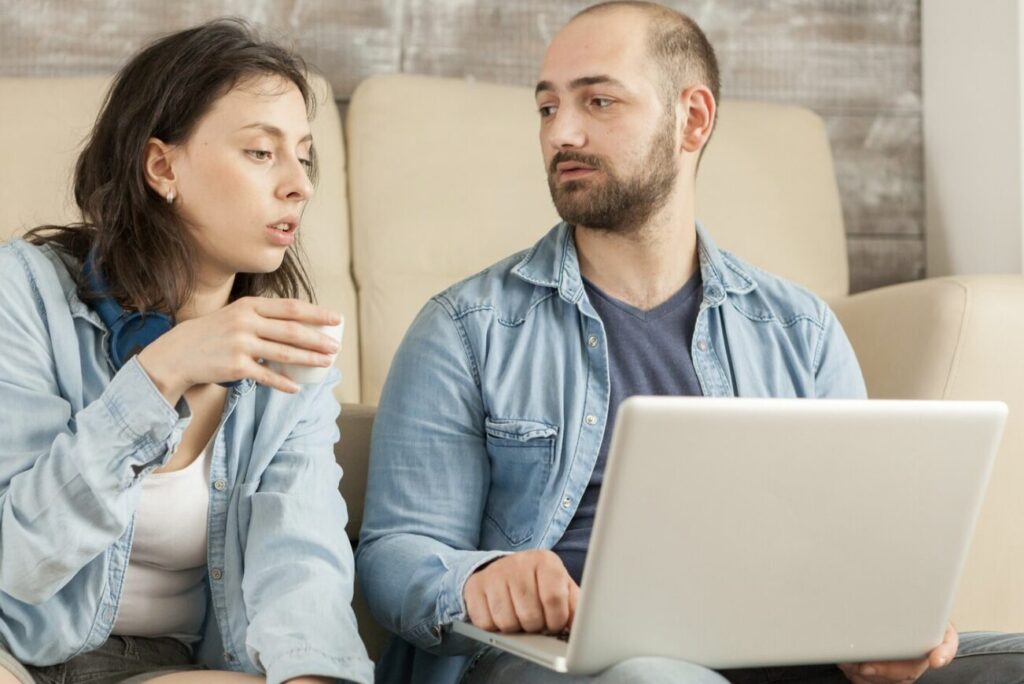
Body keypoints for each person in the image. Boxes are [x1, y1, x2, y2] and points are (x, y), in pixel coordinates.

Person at [355, 2, 1024, 683]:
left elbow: (854, 551)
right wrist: (480, 580)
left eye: (599, 101)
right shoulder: (466, 328)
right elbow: (394, 553)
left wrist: (882, 622)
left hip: (780, 654)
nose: (563, 132)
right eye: (548, 108)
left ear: (693, 119)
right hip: (563, 664)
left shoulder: (802, 330)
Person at [0, 19, 372, 684]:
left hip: (165, 669)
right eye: (262, 153)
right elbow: (18, 559)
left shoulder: (292, 354)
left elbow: (303, 560)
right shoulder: (23, 293)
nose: (299, 186)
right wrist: (162, 371)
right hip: (16, 653)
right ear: (162, 166)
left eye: (305, 157)